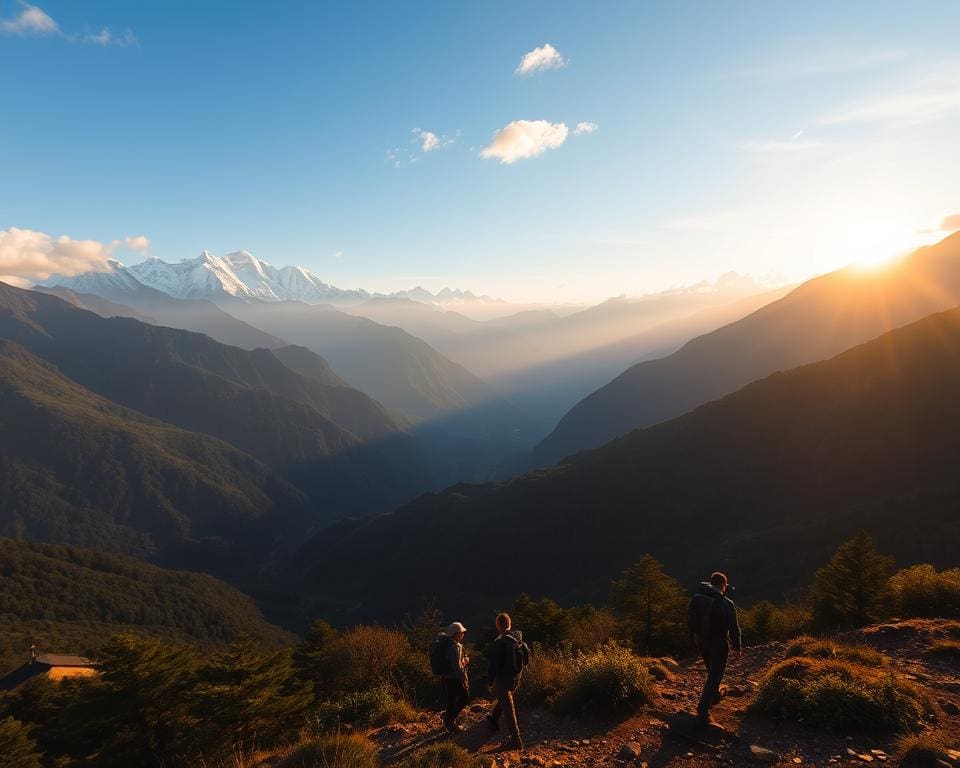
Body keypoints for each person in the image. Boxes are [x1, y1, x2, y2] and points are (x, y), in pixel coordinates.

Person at [687, 571, 742, 727]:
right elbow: (734, 628)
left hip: (700, 639)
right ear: (723, 585)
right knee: (715, 676)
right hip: (718, 642)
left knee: (711, 670)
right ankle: (703, 710)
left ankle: (715, 696)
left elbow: (690, 619)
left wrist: (694, 640)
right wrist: (737, 646)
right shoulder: (727, 603)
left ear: (711, 583)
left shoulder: (697, 598)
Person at [485, 613, 526, 751]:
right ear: (510, 623)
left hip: (503, 679)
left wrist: (490, 681)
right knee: (505, 700)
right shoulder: (518, 638)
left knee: (509, 708)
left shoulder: (500, 642)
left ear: (498, 625)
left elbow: (494, 665)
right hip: (516, 678)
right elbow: (526, 659)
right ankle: (493, 720)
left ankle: (516, 740)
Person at [440, 621, 470, 733]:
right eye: (462, 632)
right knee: (464, 698)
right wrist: (465, 678)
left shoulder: (446, 643)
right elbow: (457, 667)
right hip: (455, 678)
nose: (463, 634)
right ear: (456, 633)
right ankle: (450, 721)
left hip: (446, 677)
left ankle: (448, 720)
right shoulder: (455, 646)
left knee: (451, 700)